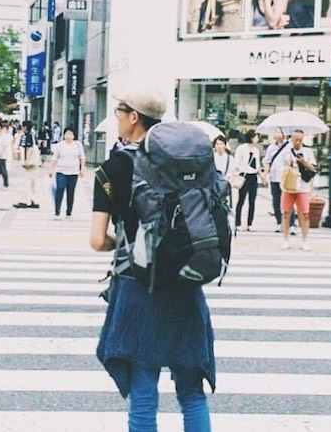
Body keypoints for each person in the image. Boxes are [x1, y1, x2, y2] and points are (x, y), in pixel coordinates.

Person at [91, 88, 214, 431]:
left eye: (119, 111)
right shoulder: (187, 161)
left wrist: (126, 243)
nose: (117, 117)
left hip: (138, 287)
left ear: (134, 117)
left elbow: (97, 240)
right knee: (192, 393)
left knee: (144, 396)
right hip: (186, 282)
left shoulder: (113, 168)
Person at [275, 129, 317, 251]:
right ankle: (285, 239)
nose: (297, 142)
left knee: (304, 214)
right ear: (292, 139)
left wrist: (303, 162)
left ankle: (304, 240)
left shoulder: (308, 151)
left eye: (300, 140)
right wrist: (288, 164)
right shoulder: (286, 151)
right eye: (295, 139)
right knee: (286, 212)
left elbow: (313, 168)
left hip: (303, 187)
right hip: (289, 186)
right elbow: (279, 167)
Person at [233, 130, 266, 232]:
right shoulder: (241, 148)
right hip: (244, 175)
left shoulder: (256, 150)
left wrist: (262, 177)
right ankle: (237, 223)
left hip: (253, 176)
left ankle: (249, 223)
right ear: (251, 137)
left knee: (252, 200)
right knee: (241, 199)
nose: (257, 139)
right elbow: (236, 163)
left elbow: (257, 165)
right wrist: (234, 175)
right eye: (256, 137)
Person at [49, 127, 85, 218]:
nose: (68, 136)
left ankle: (69, 212)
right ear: (64, 135)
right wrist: (51, 169)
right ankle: (57, 211)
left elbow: (82, 157)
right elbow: (54, 158)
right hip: (61, 171)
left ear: (74, 136)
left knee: (71, 192)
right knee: (60, 189)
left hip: (74, 172)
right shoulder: (60, 145)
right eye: (67, 134)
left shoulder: (78, 145)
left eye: (70, 134)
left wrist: (82, 169)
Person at [263, 131, 292, 234]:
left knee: (288, 201)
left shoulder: (289, 146)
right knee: (276, 202)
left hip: (285, 178)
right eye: (275, 133)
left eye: (279, 133)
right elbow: (267, 162)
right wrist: (264, 176)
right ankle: (279, 222)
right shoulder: (271, 148)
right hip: (274, 177)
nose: (276, 135)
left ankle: (291, 224)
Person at [14, 121, 41, 209]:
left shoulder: (27, 136)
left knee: (26, 182)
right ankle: (33, 200)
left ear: (25, 127)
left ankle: (25, 201)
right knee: (33, 182)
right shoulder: (31, 136)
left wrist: (27, 161)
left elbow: (30, 149)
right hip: (33, 164)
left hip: (29, 163)